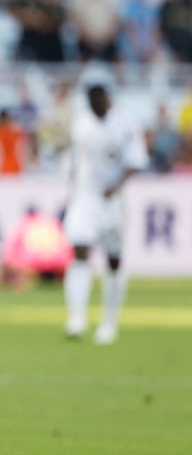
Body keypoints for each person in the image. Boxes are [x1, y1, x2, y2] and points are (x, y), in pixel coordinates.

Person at [62, 84, 147, 345]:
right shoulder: (81, 126)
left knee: (113, 261)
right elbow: (75, 161)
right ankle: (76, 318)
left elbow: (136, 162)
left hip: (113, 201)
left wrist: (116, 185)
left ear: (109, 100)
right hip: (85, 198)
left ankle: (109, 322)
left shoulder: (124, 126)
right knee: (80, 251)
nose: (100, 105)